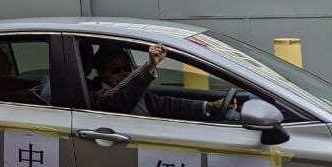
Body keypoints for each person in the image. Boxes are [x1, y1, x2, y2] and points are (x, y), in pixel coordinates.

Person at [87, 43, 230, 119]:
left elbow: (167, 105)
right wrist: (149, 66)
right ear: (101, 72)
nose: (123, 73)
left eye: (127, 68)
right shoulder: (93, 94)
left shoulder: (137, 93)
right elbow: (117, 100)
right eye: (116, 70)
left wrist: (209, 106)